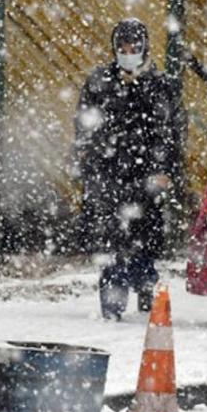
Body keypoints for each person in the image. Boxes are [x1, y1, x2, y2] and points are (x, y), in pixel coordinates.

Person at [73, 18, 181, 321]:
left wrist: (164, 170)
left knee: (144, 241)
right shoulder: (100, 81)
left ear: (144, 48)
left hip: (146, 175)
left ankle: (147, 298)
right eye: (122, 48)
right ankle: (113, 307)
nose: (128, 54)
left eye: (134, 48)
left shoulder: (159, 83)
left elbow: (170, 131)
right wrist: (88, 161)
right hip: (108, 174)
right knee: (112, 243)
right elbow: (84, 124)